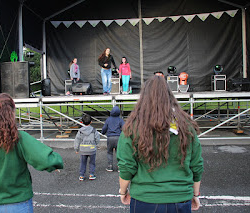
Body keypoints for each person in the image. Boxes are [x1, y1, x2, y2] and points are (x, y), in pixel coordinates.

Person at [0, 93, 64, 212]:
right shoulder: (18, 138)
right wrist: (57, 161)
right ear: (11, 113)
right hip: (18, 202)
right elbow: (47, 160)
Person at [117, 76, 203, 212]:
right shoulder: (186, 126)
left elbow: (126, 166)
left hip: (145, 199)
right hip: (180, 198)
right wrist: (195, 194)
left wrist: (123, 192)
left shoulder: (133, 127)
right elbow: (196, 165)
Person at [74, 114, 100, 181]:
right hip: (92, 149)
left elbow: (77, 140)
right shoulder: (94, 130)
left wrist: (76, 149)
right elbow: (97, 139)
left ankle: (82, 175)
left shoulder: (80, 131)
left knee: (83, 162)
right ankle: (91, 174)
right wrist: (95, 144)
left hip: (83, 150)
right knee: (92, 162)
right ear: (91, 121)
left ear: (82, 122)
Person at [102, 106, 124, 172]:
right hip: (118, 137)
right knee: (119, 152)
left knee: (109, 152)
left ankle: (110, 166)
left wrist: (103, 133)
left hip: (110, 137)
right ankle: (120, 167)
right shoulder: (120, 120)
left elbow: (104, 128)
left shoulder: (108, 119)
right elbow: (125, 127)